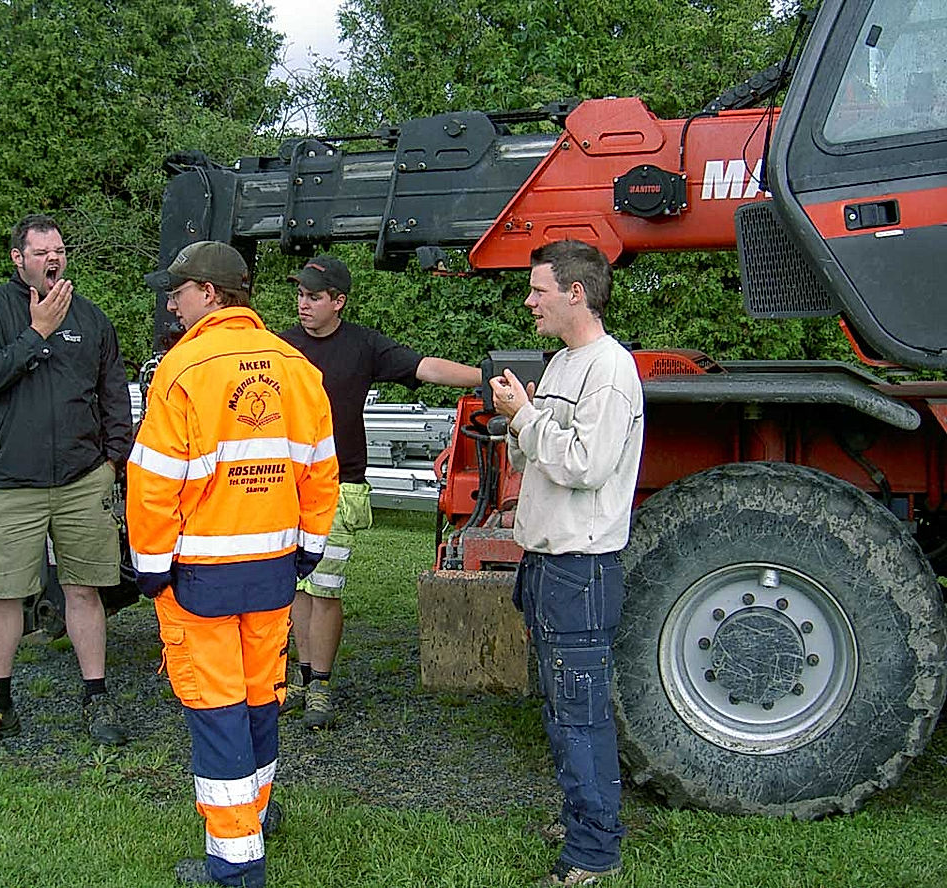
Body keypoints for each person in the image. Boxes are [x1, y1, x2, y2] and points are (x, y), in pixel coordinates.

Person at [126, 241, 338, 887]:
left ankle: (236, 864)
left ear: (211, 294)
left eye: (180, 289)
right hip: (274, 568)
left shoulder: (183, 367)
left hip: (200, 577)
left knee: (217, 714)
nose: (172, 300)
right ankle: (258, 812)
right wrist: (307, 546)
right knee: (259, 700)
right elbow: (320, 469)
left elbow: (153, 481)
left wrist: (150, 567)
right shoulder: (294, 364)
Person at [490, 239, 644, 887]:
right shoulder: (559, 365)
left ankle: (592, 854)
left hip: (581, 569)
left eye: (538, 290)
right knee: (560, 707)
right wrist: (520, 420)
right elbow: (535, 459)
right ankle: (588, 818)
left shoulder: (610, 370)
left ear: (575, 293)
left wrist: (525, 417)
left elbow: (586, 465)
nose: (529, 302)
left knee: (579, 711)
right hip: (546, 564)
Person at [0, 214, 133, 752]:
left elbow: (114, 394)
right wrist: (37, 335)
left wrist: (112, 461)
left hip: (82, 481)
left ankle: (96, 696)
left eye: (59, 250)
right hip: (11, 482)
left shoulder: (93, 319)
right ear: (18, 258)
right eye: (41, 251)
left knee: (85, 591)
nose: (53, 259)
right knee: (5, 595)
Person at [278, 256, 482, 729]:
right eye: (301, 295)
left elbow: (426, 368)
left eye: (314, 296)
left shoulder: (364, 345)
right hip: (285, 484)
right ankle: (299, 679)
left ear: (338, 302)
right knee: (294, 589)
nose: (303, 304)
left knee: (324, 587)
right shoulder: (282, 347)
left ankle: (321, 686)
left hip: (339, 485)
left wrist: (486, 376)